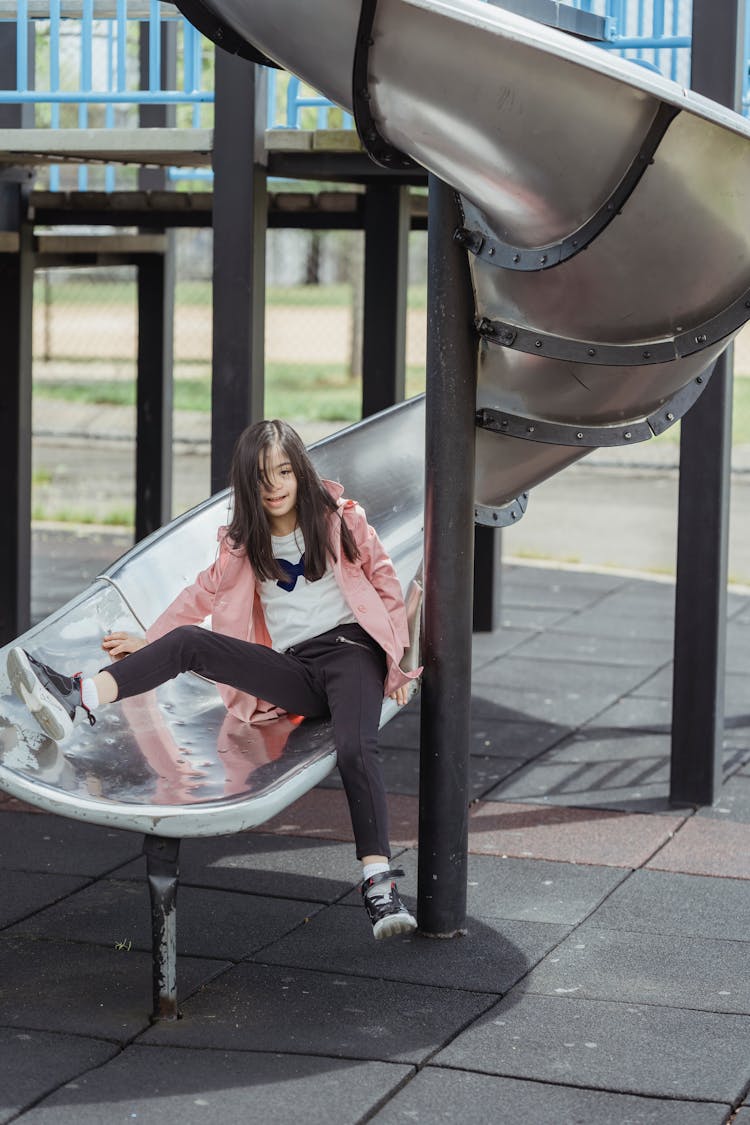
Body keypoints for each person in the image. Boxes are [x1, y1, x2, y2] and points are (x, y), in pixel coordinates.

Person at [8, 419, 422, 940]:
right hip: (295, 669)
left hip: (351, 653)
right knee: (190, 644)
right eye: (262, 477)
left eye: (285, 472)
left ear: (301, 473)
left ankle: (378, 884)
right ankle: (77, 694)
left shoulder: (341, 521)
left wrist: (396, 661)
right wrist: (153, 641)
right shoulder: (243, 543)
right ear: (247, 482)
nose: (275, 486)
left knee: (356, 748)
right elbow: (198, 597)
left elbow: (385, 582)